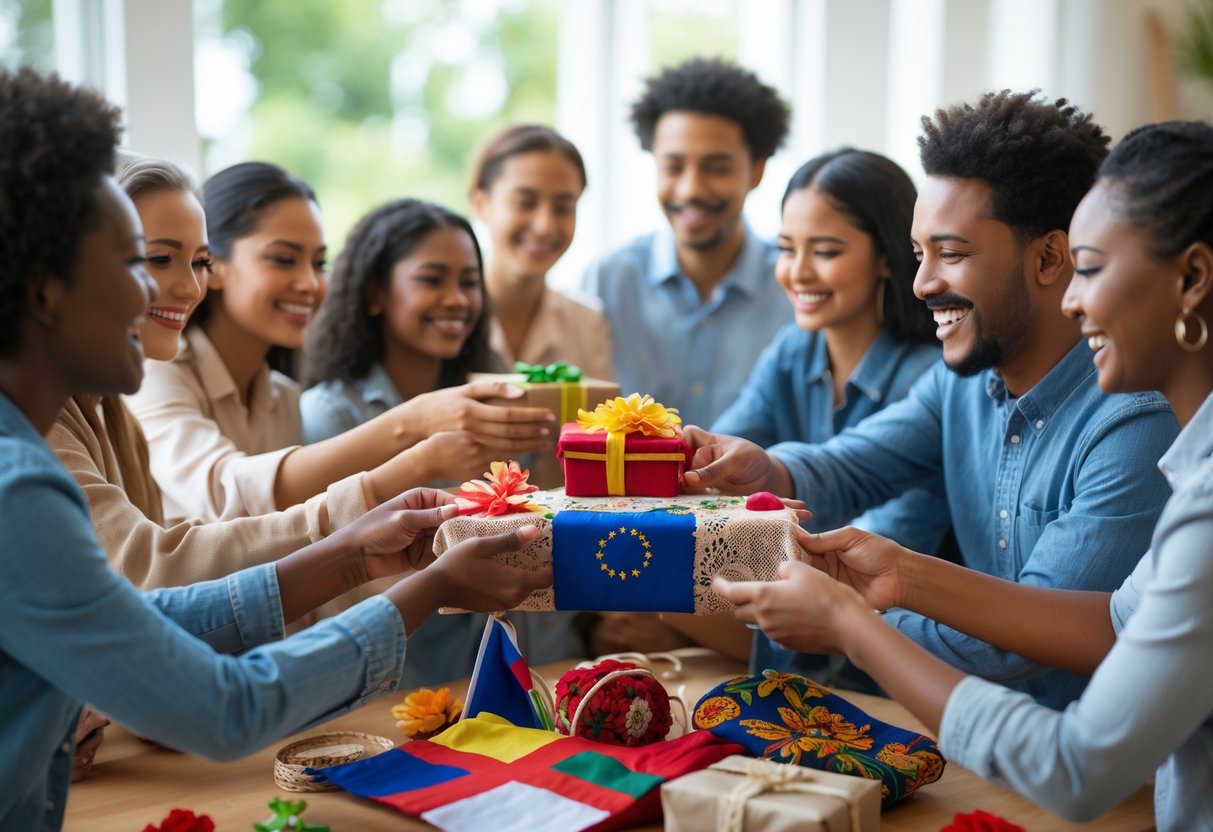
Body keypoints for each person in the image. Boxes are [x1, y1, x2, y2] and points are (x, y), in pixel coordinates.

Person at [0, 67, 549, 831]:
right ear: (43, 287)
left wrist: (352, 553)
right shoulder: (15, 487)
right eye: (134, 263)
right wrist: (422, 586)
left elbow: (145, 615)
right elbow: (224, 709)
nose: (174, 293)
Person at [715, 119, 1213, 831]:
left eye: (1092, 267)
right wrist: (898, 577)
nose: (1076, 298)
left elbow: (1074, 765)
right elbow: (1116, 619)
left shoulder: (1144, 429)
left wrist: (855, 625)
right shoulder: (965, 382)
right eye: (919, 253)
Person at [127, 162, 553, 523]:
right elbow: (228, 497)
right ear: (213, 263)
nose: (310, 284)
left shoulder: (281, 396)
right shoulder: (155, 373)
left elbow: (295, 544)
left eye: (319, 263)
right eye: (282, 258)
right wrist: (416, 430)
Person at [49, 153, 370, 590]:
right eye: (160, 258)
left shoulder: (116, 417)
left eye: (199, 262)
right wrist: (409, 442)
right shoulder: (47, 414)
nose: (190, 286)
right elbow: (153, 566)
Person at [301, 198, 584, 679]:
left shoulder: (498, 402)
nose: (457, 299)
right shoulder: (332, 412)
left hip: (516, 666)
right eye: (432, 280)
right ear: (375, 293)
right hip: (395, 678)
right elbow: (344, 575)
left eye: (469, 282)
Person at [709, 149, 949, 684]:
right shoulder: (793, 350)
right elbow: (720, 466)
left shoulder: (931, 377)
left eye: (826, 251)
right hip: (798, 634)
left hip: (891, 659)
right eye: (786, 248)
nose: (797, 272)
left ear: (887, 255)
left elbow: (886, 553)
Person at [579, 57, 793, 427]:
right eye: (673, 167)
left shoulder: (795, 283)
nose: (691, 189)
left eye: (716, 168)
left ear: (756, 170)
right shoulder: (608, 280)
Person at [469, 124, 614, 381]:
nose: (545, 226)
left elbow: (596, 419)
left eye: (563, 207)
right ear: (481, 204)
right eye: (525, 203)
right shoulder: (447, 314)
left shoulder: (587, 324)